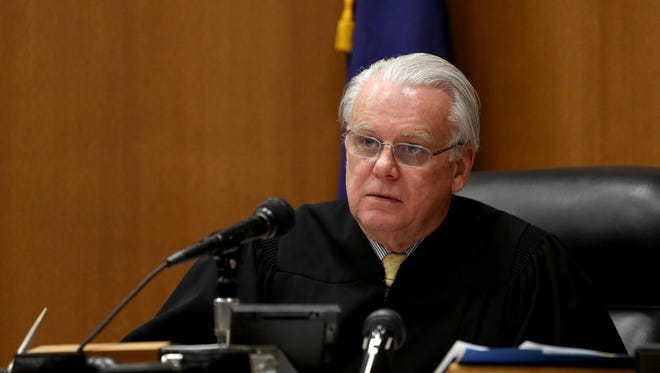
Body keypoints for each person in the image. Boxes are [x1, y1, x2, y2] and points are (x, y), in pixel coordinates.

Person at [124, 53, 626, 372]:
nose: (383, 167)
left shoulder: (526, 266)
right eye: (366, 142)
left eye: (411, 149)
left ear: (459, 166)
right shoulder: (268, 252)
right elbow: (144, 362)